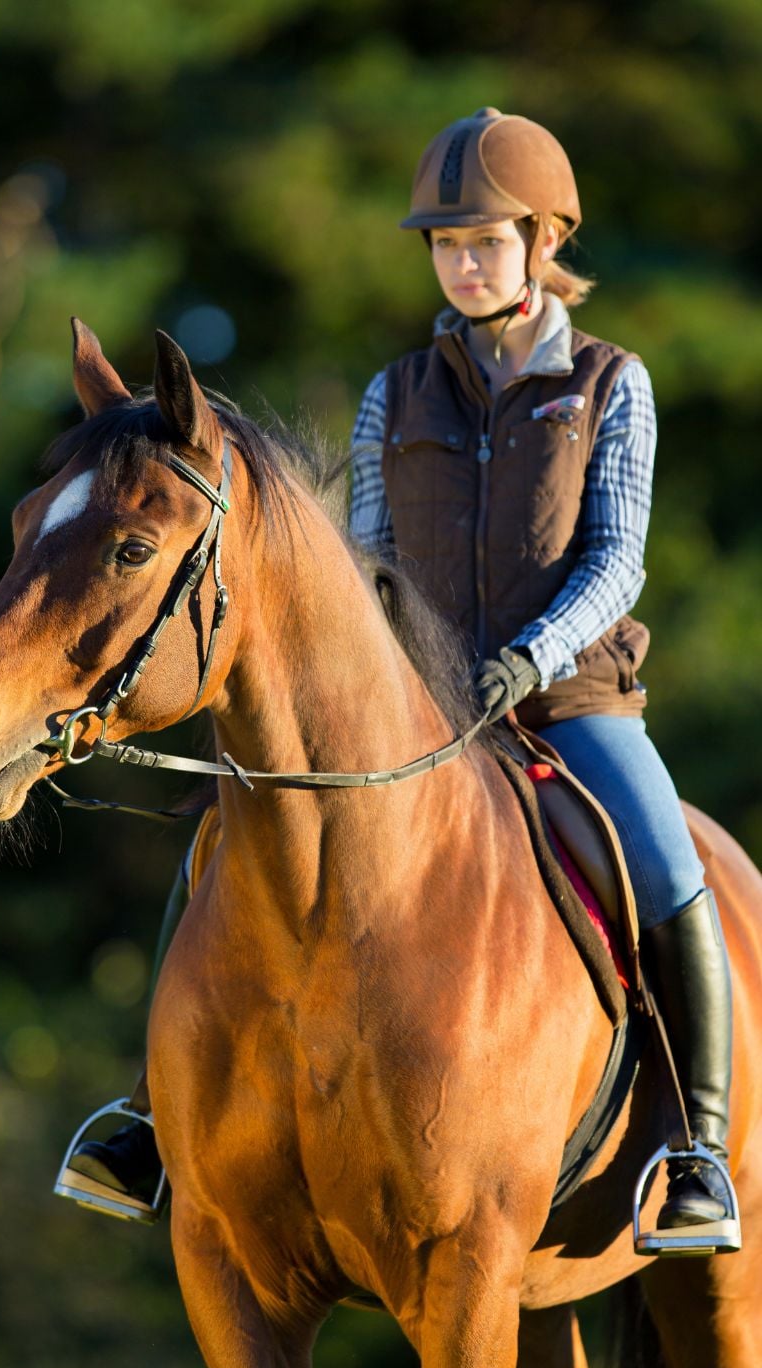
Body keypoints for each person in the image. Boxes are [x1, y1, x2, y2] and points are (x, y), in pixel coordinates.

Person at [65, 107, 734, 1236]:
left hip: (566, 698)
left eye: (484, 241)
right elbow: (367, 560)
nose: (464, 263)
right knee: (221, 834)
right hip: (419, 710)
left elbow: (617, 560)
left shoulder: (612, 384)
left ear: (541, 240)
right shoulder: (397, 393)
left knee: (667, 868)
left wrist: (531, 659)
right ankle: (147, 1119)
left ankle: (695, 1147)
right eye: (445, 244)